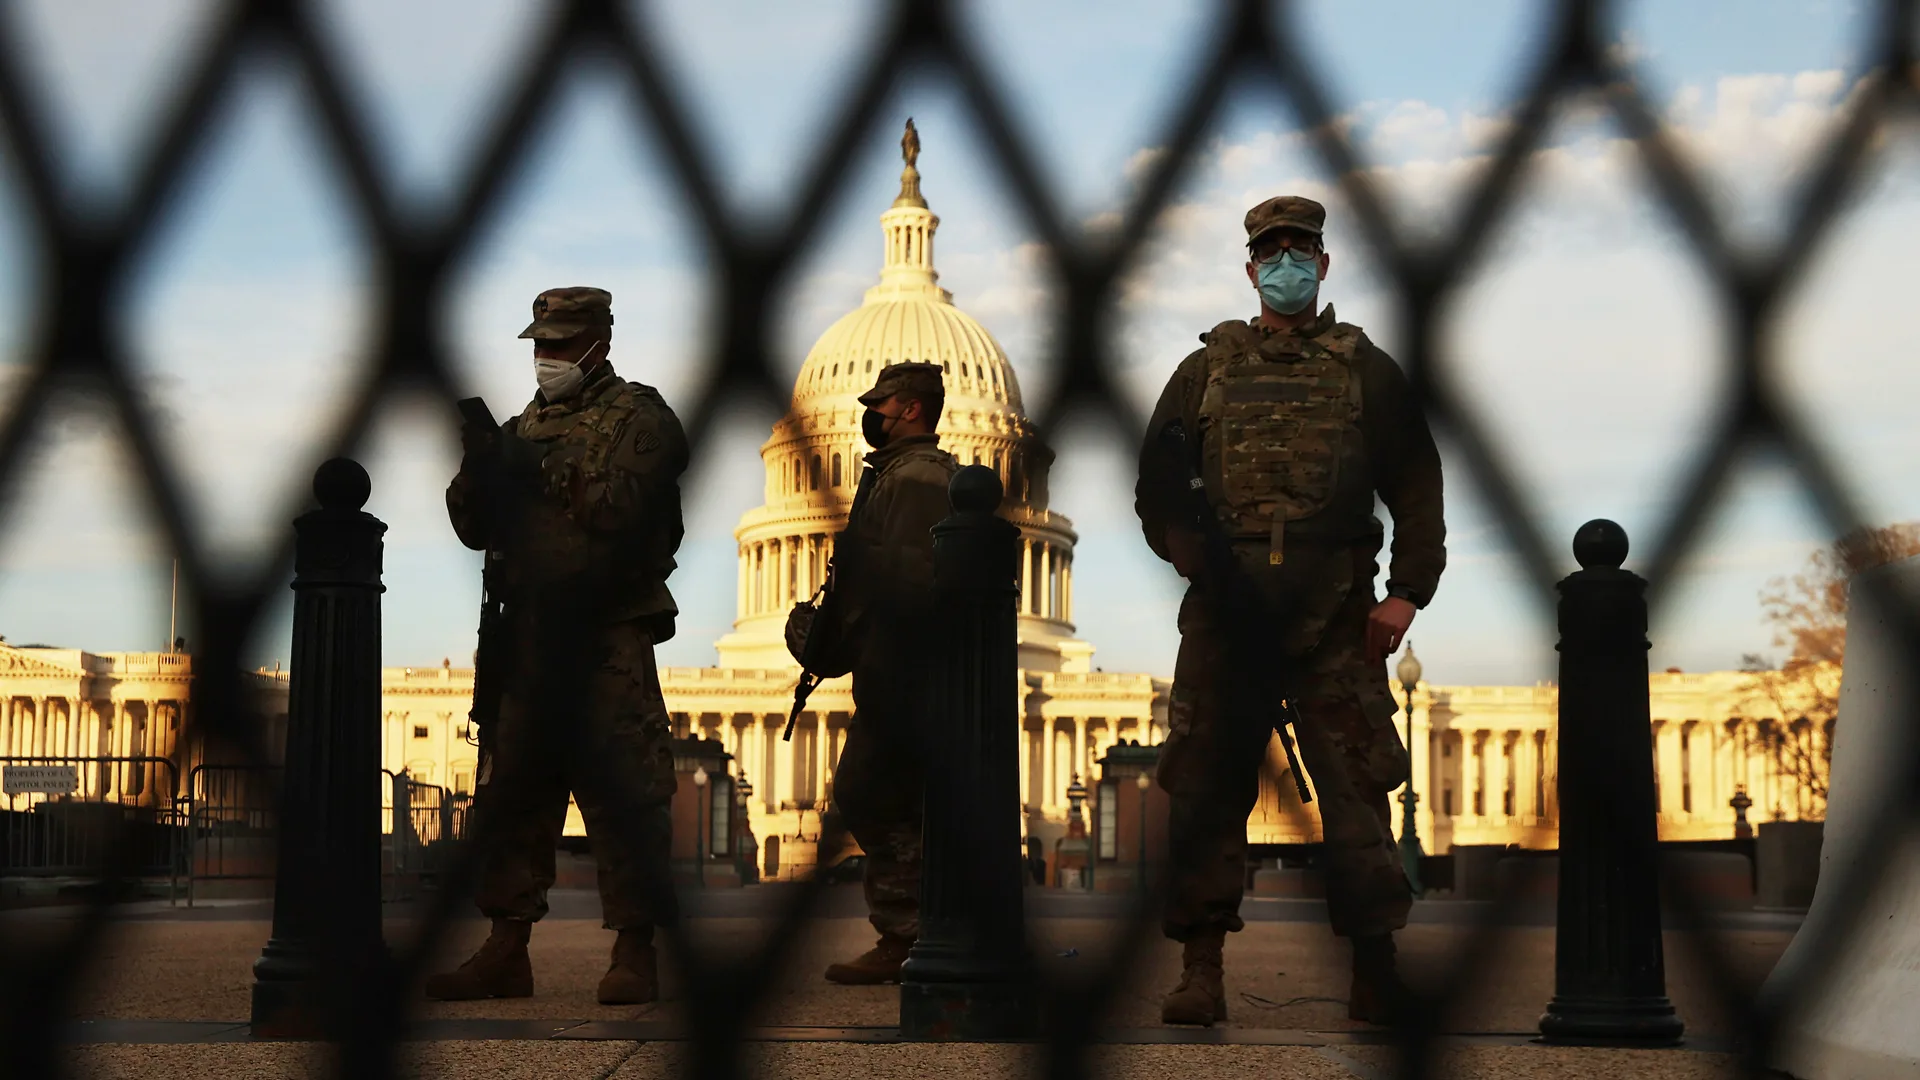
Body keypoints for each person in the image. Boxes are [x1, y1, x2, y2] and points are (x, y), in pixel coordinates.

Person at [1133, 196, 1447, 1027]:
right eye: (1271, 252)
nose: (1285, 264)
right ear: (1250, 270)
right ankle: (1201, 969)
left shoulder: (1366, 369)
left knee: (1357, 792)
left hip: (1336, 613)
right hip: (1226, 616)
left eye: (1299, 250)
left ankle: (1373, 969)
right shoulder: (1204, 371)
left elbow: (1417, 485)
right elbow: (1156, 481)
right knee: (1205, 792)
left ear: (1323, 263)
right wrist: (1184, 550)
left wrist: (1407, 592)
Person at [426, 286, 690, 1006]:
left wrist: (534, 470)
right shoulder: (523, 424)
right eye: (540, 344)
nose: (547, 356)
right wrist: (481, 468)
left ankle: (635, 948)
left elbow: (622, 508)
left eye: (561, 344)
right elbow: (472, 529)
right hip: (527, 634)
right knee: (512, 793)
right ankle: (506, 946)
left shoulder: (640, 416)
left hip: (605, 631)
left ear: (600, 342)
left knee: (626, 790)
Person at [786, 361, 957, 984]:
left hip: (904, 677)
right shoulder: (897, 474)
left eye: (879, 405)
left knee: (873, 795)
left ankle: (909, 935)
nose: (870, 415)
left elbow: (907, 588)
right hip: (898, 671)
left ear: (911, 408)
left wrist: (847, 639)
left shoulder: (913, 479)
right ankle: (919, 934)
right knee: (889, 799)